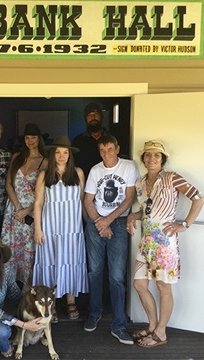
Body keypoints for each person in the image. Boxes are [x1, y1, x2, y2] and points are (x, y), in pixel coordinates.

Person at [126, 139, 204, 348]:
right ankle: (152, 326)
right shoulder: (140, 183)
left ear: (162, 159)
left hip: (164, 244)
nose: (152, 158)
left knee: (163, 287)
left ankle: (161, 332)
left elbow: (199, 199)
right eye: (148, 154)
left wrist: (185, 224)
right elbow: (146, 211)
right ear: (143, 158)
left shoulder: (172, 178)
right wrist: (131, 216)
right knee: (140, 285)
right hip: (146, 243)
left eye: (157, 155)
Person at [83, 135, 139, 345]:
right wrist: (99, 221)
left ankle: (119, 324)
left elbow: (129, 198)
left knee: (116, 276)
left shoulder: (128, 166)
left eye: (110, 149)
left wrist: (108, 220)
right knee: (94, 271)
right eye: (103, 150)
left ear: (117, 148)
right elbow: (88, 200)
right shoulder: (96, 170)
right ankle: (94, 312)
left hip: (118, 223)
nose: (106, 153)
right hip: (96, 223)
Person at [33, 135, 88, 322]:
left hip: (72, 229)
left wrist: (89, 223)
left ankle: (70, 301)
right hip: (50, 228)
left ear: (70, 155)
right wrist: (38, 229)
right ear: (52, 154)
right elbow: (38, 203)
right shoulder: (44, 175)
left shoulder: (78, 173)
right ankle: (51, 304)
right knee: (52, 262)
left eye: (65, 152)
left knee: (70, 261)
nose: (62, 156)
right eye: (58, 152)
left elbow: (82, 202)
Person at [1, 123, 48, 286]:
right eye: (27, 138)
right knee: (13, 248)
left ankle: (29, 289)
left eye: (33, 137)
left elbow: (45, 192)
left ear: (39, 139)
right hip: (14, 209)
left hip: (34, 210)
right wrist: (18, 209)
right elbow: (8, 184)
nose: (30, 141)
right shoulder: (17, 157)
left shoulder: (45, 161)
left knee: (30, 250)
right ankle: (11, 288)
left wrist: (28, 211)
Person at [72, 102, 109, 177]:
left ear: (101, 116)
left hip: (109, 180)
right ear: (85, 119)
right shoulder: (78, 141)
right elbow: (73, 165)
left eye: (96, 114)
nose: (93, 118)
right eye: (89, 115)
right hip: (86, 182)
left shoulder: (112, 138)